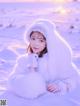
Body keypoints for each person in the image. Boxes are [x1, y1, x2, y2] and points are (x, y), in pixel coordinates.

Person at [7, 19, 80, 99]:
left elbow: (74, 78)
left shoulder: (57, 60)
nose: (35, 43)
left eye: (41, 40)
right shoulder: (24, 60)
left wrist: (61, 86)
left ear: (47, 43)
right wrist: (29, 80)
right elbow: (12, 80)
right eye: (33, 38)